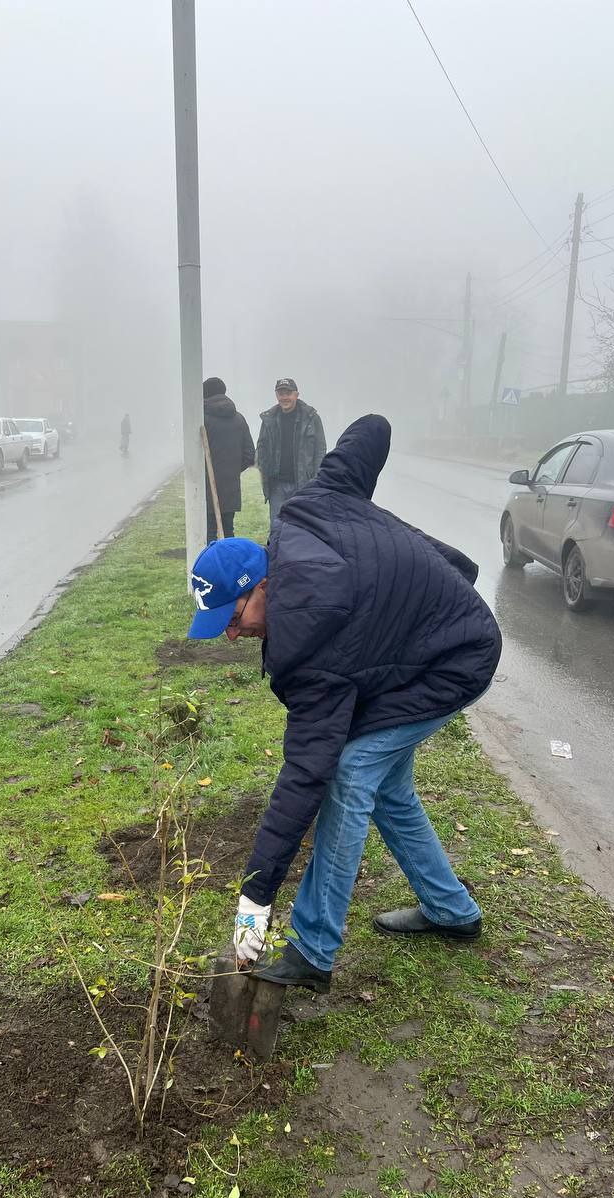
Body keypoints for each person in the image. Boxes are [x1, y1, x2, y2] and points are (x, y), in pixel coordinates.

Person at [186, 414, 502, 992]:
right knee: (388, 784)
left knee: (351, 772)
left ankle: (313, 950)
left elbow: (305, 774)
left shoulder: (310, 654)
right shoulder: (309, 506)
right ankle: (451, 911)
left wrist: (256, 894)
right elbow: (375, 430)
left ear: (260, 585)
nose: (231, 638)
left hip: (459, 655)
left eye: (232, 619)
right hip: (420, 646)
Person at [256, 377, 326, 531]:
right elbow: (261, 446)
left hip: (303, 485)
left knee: (302, 528)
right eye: (281, 393)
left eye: (288, 393)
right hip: (276, 486)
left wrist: (315, 479)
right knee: (277, 528)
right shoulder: (269, 419)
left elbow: (320, 450)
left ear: (296, 394)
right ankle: (275, 555)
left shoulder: (311, 418)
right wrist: (264, 469)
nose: (284, 397)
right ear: (276, 395)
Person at [202, 377, 256, 542]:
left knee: (210, 531)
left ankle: (211, 566)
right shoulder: (238, 418)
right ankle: (228, 565)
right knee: (228, 530)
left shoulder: (202, 418)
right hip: (230, 485)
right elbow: (249, 454)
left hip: (206, 484)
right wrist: (232, 469)